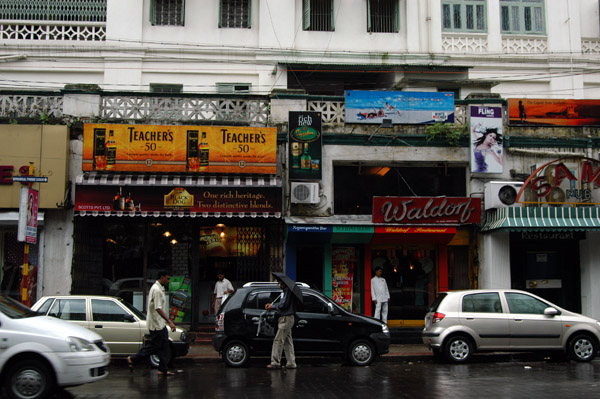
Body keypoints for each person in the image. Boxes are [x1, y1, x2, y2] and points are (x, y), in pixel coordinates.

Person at [127, 271, 176, 376]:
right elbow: (158, 308)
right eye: (167, 279)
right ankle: (132, 358)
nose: (168, 281)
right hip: (156, 324)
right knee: (155, 346)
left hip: (159, 323)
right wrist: (169, 321)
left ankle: (162, 369)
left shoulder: (159, 288)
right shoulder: (157, 290)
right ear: (161, 277)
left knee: (164, 346)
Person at [265, 277, 297, 369]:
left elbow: (284, 304)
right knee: (287, 341)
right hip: (287, 318)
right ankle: (291, 363)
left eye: (281, 284)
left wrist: (273, 306)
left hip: (286, 318)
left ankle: (275, 362)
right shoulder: (285, 292)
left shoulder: (288, 292)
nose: (280, 285)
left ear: (285, 284)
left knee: (278, 340)